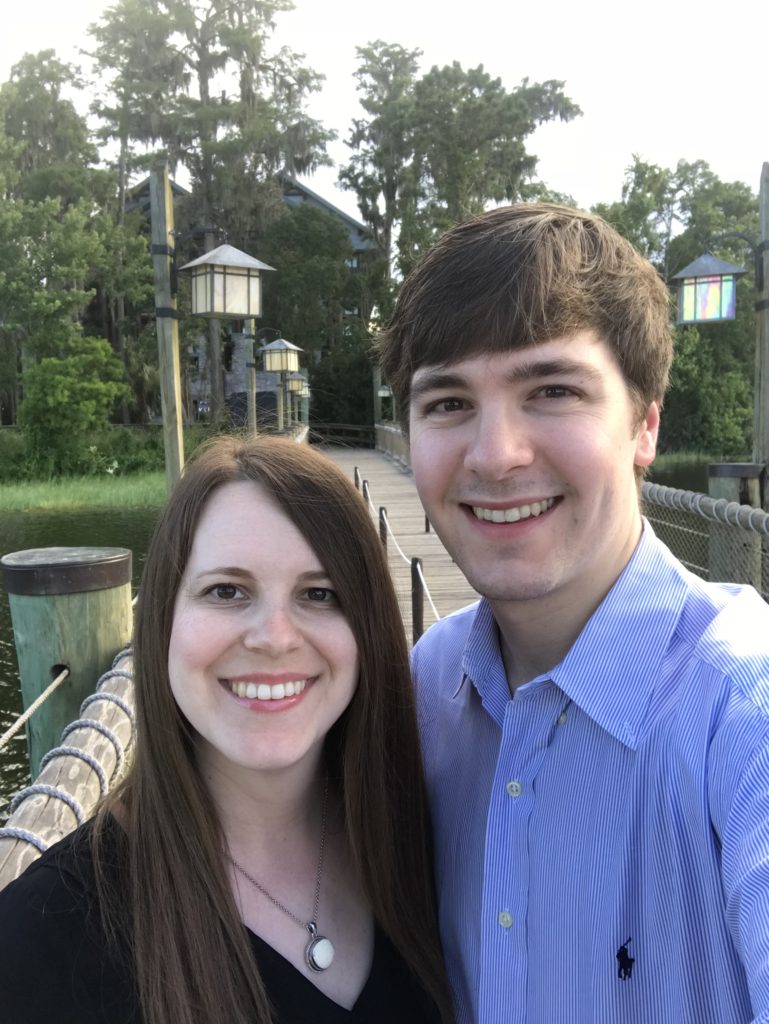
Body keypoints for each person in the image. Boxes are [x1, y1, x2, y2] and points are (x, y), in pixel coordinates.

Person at [377, 203, 769, 1023]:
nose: (494, 454)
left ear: (645, 422)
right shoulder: (422, 689)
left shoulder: (743, 713)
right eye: (447, 403)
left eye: (551, 390)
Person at [0, 436, 454, 1024]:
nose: (274, 637)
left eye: (320, 594)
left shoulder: (425, 841)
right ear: (163, 621)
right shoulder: (41, 938)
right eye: (226, 591)